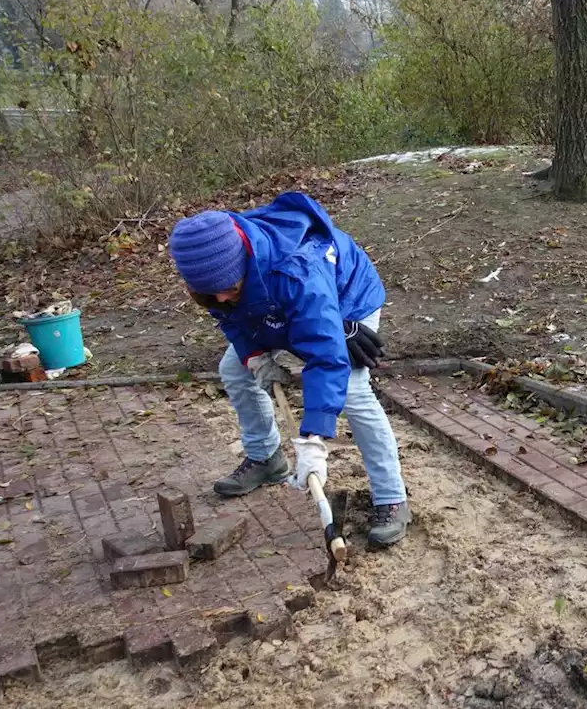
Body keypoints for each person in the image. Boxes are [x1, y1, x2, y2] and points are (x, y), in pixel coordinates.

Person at [168, 191, 412, 548]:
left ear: (243, 262)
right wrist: (253, 356)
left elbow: (325, 358)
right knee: (234, 369)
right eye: (210, 293)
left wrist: (314, 439)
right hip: (282, 303)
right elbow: (230, 317)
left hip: (347, 298)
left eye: (229, 287)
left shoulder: (296, 271)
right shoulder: (213, 271)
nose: (219, 298)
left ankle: (392, 497)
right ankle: (266, 458)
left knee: (353, 388)